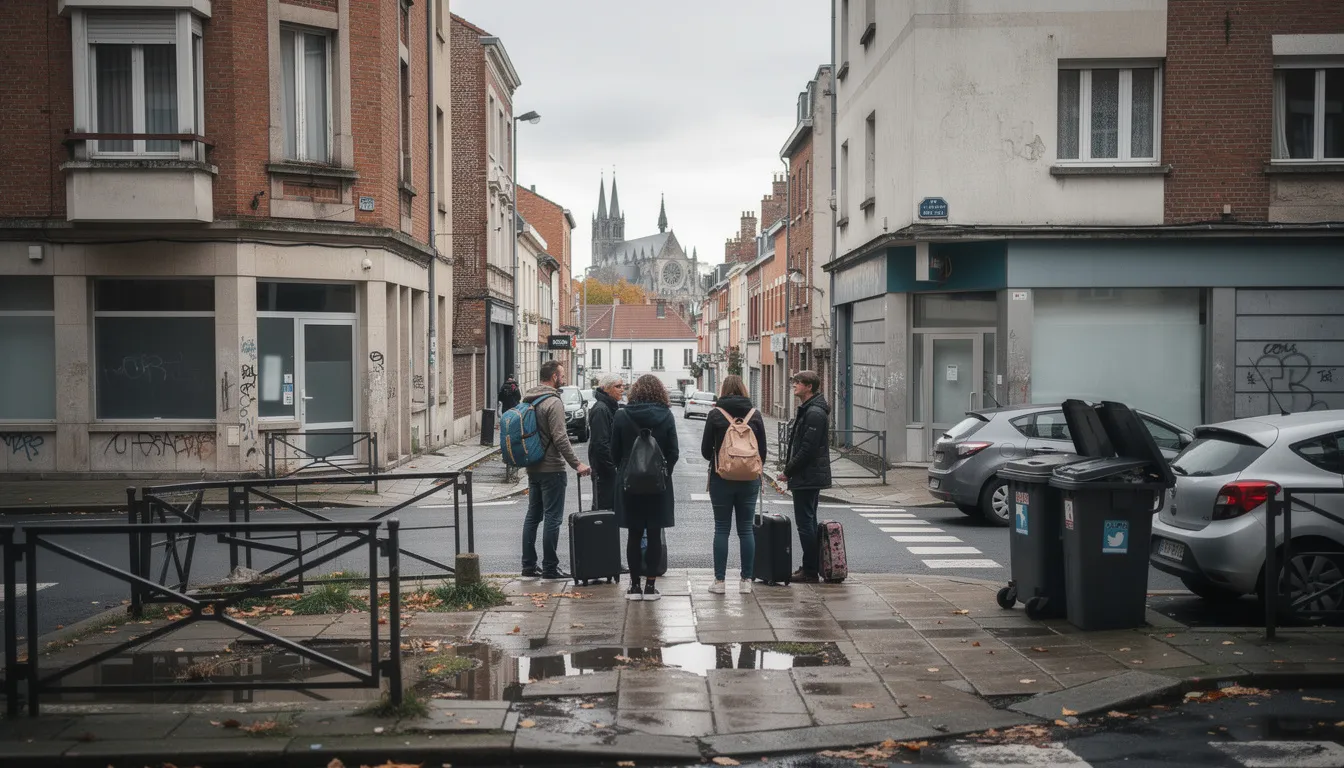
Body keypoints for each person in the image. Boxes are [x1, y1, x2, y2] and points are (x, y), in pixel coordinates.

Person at [519, 360, 591, 580]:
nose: (564, 378)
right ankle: (550, 568)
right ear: (553, 377)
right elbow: (561, 437)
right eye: (561, 375)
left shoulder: (529, 398)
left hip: (533, 466)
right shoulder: (553, 402)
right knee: (552, 518)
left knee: (533, 516)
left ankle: (528, 566)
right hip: (552, 468)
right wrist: (577, 464)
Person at [610, 374, 679, 601]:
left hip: (630, 485)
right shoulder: (666, 416)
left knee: (633, 534)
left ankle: (634, 587)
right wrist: (663, 472)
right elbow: (673, 452)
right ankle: (650, 587)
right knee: (654, 533)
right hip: (658, 486)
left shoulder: (622, 416)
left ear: (635, 392)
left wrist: (626, 470)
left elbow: (614, 453)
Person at [701, 375, 766, 595]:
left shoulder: (715, 415)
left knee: (721, 528)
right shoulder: (754, 415)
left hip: (722, 478)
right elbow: (762, 452)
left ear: (723, 390)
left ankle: (719, 582)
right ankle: (746, 581)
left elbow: (704, 451)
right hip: (749, 480)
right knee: (746, 529)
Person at [776, 370, 832, 583]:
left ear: (809, 387)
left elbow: (807, 449)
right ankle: (810, 567)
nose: (794, 385)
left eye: (798, 382)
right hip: (808, 476)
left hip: (808, 476)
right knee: (808, 521)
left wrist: (788, 471)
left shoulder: (814, 413)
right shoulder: (811, 410)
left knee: (805, 523)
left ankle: (809, 570)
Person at [586, 373, 625, 510]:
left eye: (622, 386)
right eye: (618, 386)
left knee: (609, 511)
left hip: (607, 470)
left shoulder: (609, 407)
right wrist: (612, 468)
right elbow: (600, 444)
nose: (622, 389)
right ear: (607, 388)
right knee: (604, 511)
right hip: (604, 471)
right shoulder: (601, 409)